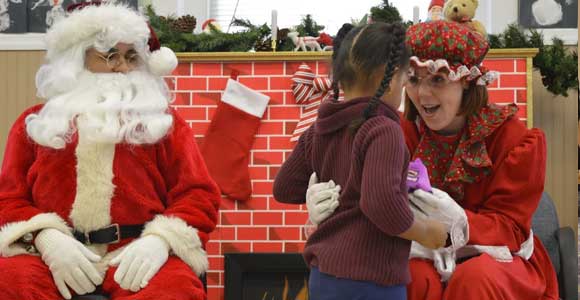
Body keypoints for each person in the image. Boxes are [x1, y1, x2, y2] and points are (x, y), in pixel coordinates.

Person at [306, 20, 559, 300]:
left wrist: (461, 223)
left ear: (468, 80)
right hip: (423, 251)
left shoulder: (513, 140)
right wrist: (330, 207)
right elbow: (370, 199)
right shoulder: (394, 133)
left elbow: (512, 229)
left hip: (499, 260)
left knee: (474, 279)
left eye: (438, 79)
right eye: (413, 79)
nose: (423, 95)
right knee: (408, 275)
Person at [0, 2, 221, 299]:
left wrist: (159, 241)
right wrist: (46, 238)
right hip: (51, 257)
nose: (123, 68)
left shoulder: (165, 124)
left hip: (134, 252)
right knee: (11, 282)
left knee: (175, 290)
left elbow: (198, 195)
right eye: (110, 56)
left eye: (131, 57)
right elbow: (8, 197)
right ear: (76, 61)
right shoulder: (36, 124)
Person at [273, 22, 448, 300]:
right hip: (371, 282)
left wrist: (315, 193)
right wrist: (426, 232)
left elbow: (283, 187)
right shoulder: (384, 130)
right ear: (391, 80)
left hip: (324, 276)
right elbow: (381, 204)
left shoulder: (318, 129)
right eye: (405, 78)